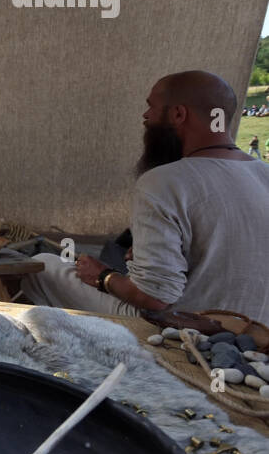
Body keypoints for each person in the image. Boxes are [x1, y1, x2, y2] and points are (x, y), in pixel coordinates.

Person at [21, 71, 269, 322]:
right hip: (256, 331)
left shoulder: (165, 181)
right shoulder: (264, 173)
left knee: (43, 265)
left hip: (183, 329)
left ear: (178, 114)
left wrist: (102, 276)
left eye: (151, 106)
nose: (145, 116)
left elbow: (155, 296)